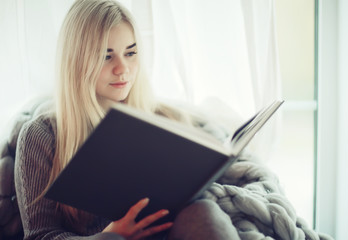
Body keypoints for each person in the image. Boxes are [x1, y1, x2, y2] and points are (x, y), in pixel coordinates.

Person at [14, 0, 240, 239]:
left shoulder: (163, 119)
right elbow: (40, 235)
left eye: (130, 53)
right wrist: (108, 236)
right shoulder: (41, 136)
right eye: (105, 56)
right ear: (76, 62)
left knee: (203, 210)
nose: (123, 69)